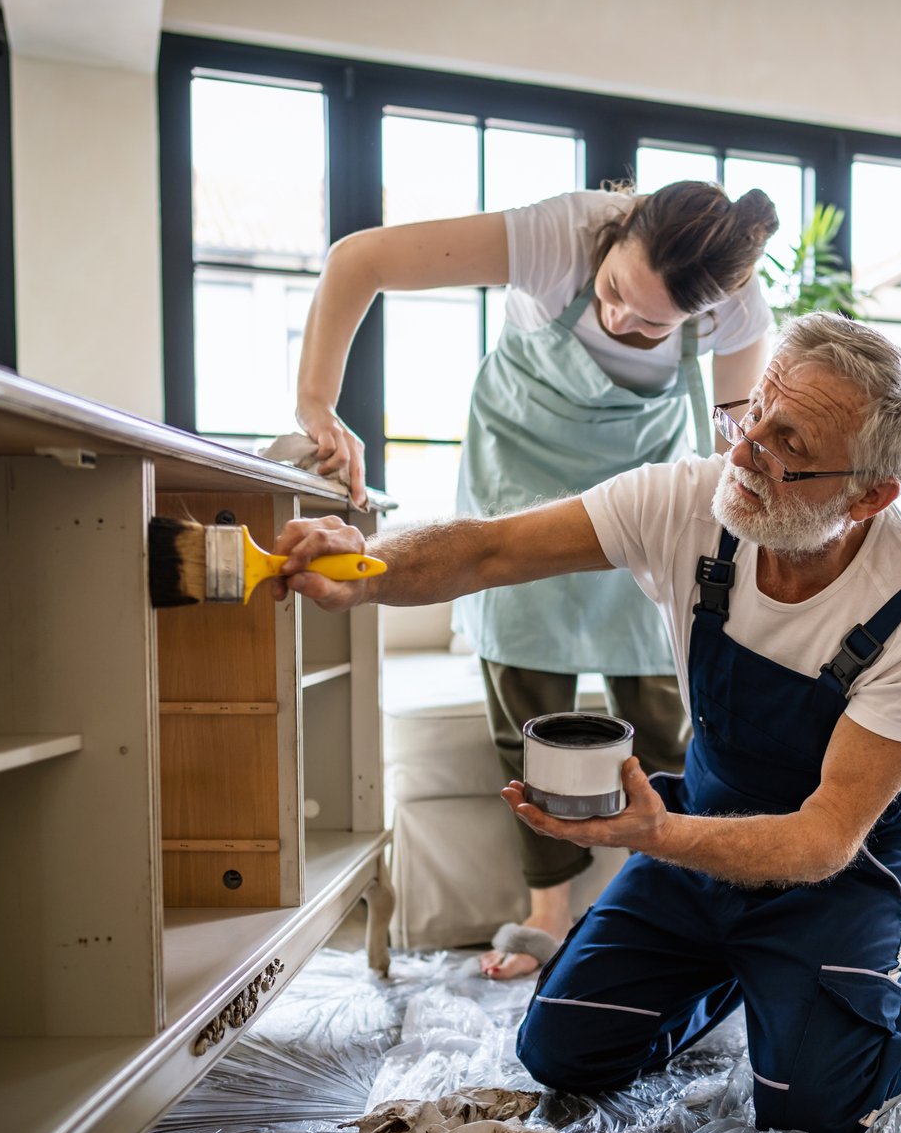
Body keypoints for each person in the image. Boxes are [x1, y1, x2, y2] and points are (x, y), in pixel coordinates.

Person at [269, 313, 901, 1133]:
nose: (745, 450)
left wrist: (653, 834)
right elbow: (491, 552)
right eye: (750, 414)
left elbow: (824, 839)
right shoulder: (691, 502)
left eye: (785, 442)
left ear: (868, 495)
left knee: (818, 1108)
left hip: (844, 860)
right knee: (563, 1054)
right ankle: (741, 970)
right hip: (705, 817)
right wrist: (367, 569)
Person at [293, 180, 781, 980]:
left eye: (655, 323)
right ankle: (546, 909)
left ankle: (662, 908)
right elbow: (361, 260)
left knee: (664, 716)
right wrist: (319, 404)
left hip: (639, 487)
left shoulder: (737, 309)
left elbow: (735, 446)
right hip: (518, 469)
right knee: (530, 707)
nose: (624, 320)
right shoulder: (557, 236)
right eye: (617, 291)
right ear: (615, 235)